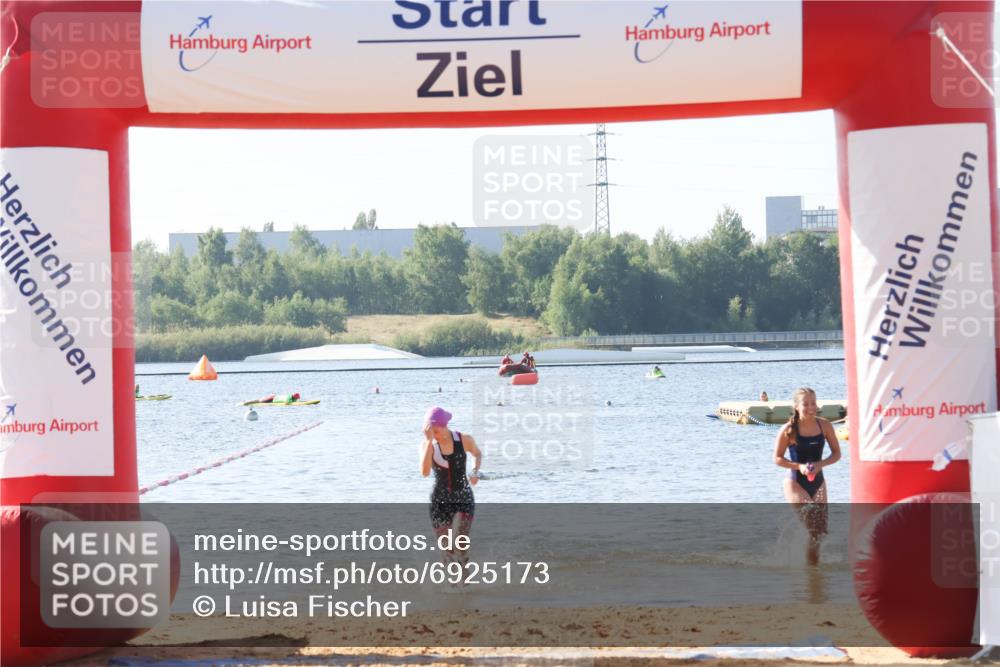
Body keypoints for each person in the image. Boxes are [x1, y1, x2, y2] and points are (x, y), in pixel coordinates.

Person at [773, 387, 841, 565]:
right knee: (813, 529)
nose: (811, 407)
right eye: (805, 404)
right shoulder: (789, 429)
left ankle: (813, 572)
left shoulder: (824, 425)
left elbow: (836, 454)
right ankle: (808, 568)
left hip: (818, 481)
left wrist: (820, 465)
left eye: (813, 403)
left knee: (821, 531)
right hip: (795, 481)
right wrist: (800, 466)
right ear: (796, 406)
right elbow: (777, 459)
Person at [420, 406, 482, 577]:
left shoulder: (464, 440)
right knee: (447, 549)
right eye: (430, 432)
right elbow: (424, 472)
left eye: (436, 431)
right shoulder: (428, 445)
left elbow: (477, 454)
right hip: (439, 503)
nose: (434, 435)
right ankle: (451, 588)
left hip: (463, 497)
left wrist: (474, 472)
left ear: (445, 425)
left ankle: (465, 574)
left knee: (459, 542)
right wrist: (428, 442)